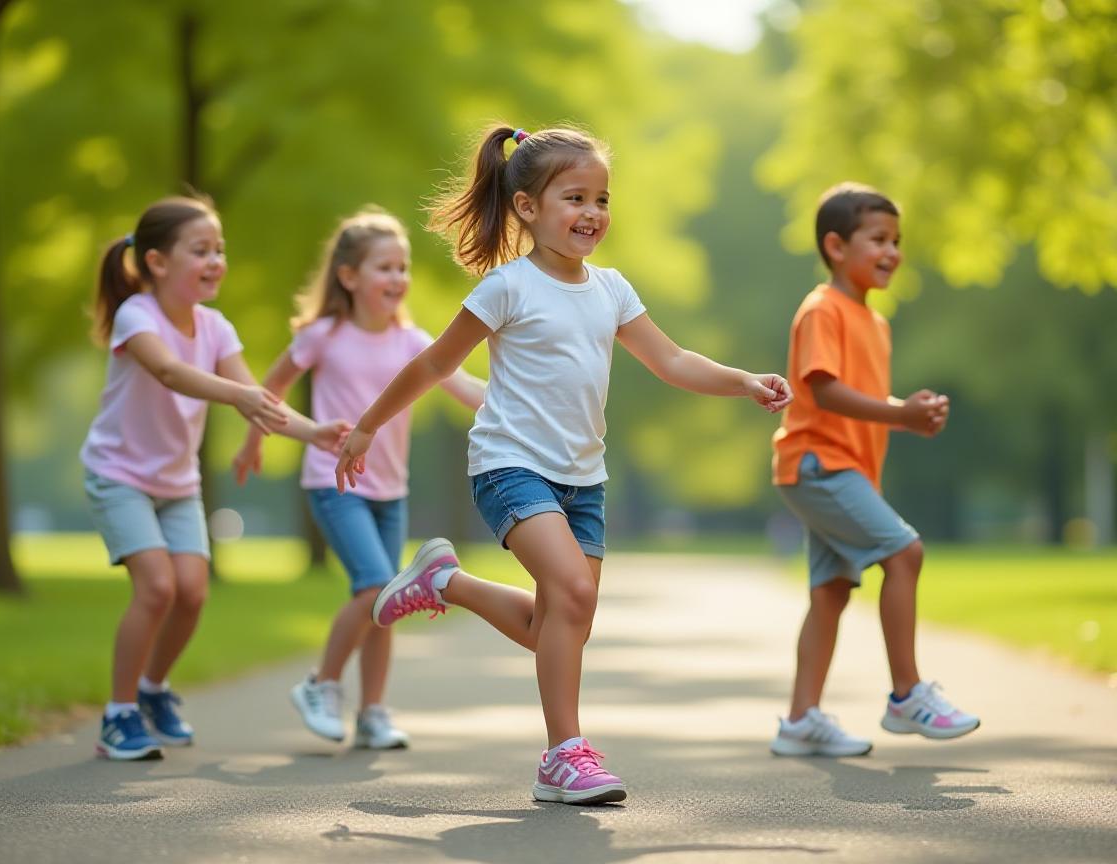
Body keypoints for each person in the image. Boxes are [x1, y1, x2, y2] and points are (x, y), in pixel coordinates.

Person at [333, 125, 793, 804]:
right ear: (527, 208)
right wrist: (368, 426)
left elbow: (672, 360)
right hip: (510, 466)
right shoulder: (507, 288)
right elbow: (435, 362)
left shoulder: (610, 290)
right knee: (573, 598)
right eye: (574, 197)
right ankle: (563, 755)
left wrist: (743, 379)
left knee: (558, 623)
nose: (593, 213)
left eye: (602, 199)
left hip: (585, 478)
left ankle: (446, 582)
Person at [81, 195, 347, 761]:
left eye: (219, 250)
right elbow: (170, 372)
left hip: (176, 483)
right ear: (157, 262)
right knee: (156, 588)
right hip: (119, 473)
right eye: (200, 250)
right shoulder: (138, 316)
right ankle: (118, 713)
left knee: (193, 593)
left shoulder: (216, 327)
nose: (215, 260)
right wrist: (243, 396)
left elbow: (259, 401)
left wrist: (316, 433)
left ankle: (153, 690)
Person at [232, 207, 485, 750]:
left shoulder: (413, 340)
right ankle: (321, 685)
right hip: (334, 483)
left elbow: (465, 387)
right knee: (376, 586)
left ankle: (372, 712)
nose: (397, 278)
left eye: (403, 267)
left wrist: (523, 400)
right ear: (349, 277)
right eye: (384, 268)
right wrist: (254, 439)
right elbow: (268, 390)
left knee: (387, 600)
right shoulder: (325, 335)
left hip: (391, 491)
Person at [769, 183, 980, 758]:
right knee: (905, 552)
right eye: (878, 239)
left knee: (832, 590)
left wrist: (908, 413)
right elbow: (824, 390)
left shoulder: (875, 323)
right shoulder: (823, 309)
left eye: (897, 241)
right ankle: (907, 695)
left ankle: (799, 721)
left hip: (847, 471)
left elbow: (861, 397)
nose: (892, 252)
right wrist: (902, 415)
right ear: (836, 246)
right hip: (817, 465)